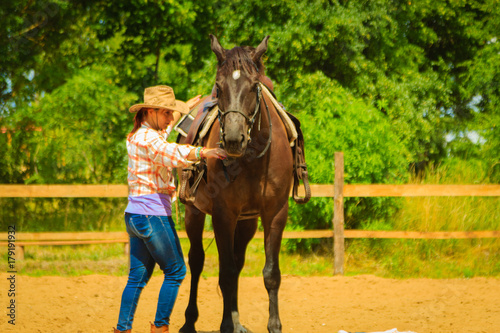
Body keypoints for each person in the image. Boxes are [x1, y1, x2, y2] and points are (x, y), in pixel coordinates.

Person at [114, 85, 227, 333]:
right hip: (152, 215)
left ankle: (122, 329)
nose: (169, 119)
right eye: (166, 113)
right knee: (176, 271)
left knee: (137, 278)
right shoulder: (149, 141)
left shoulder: (138, 135)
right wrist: (204, 151)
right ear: (152, 112)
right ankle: (160, 327)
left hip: (135, 214)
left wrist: (182, 107)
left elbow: (163, 135)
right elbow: (171, 152)